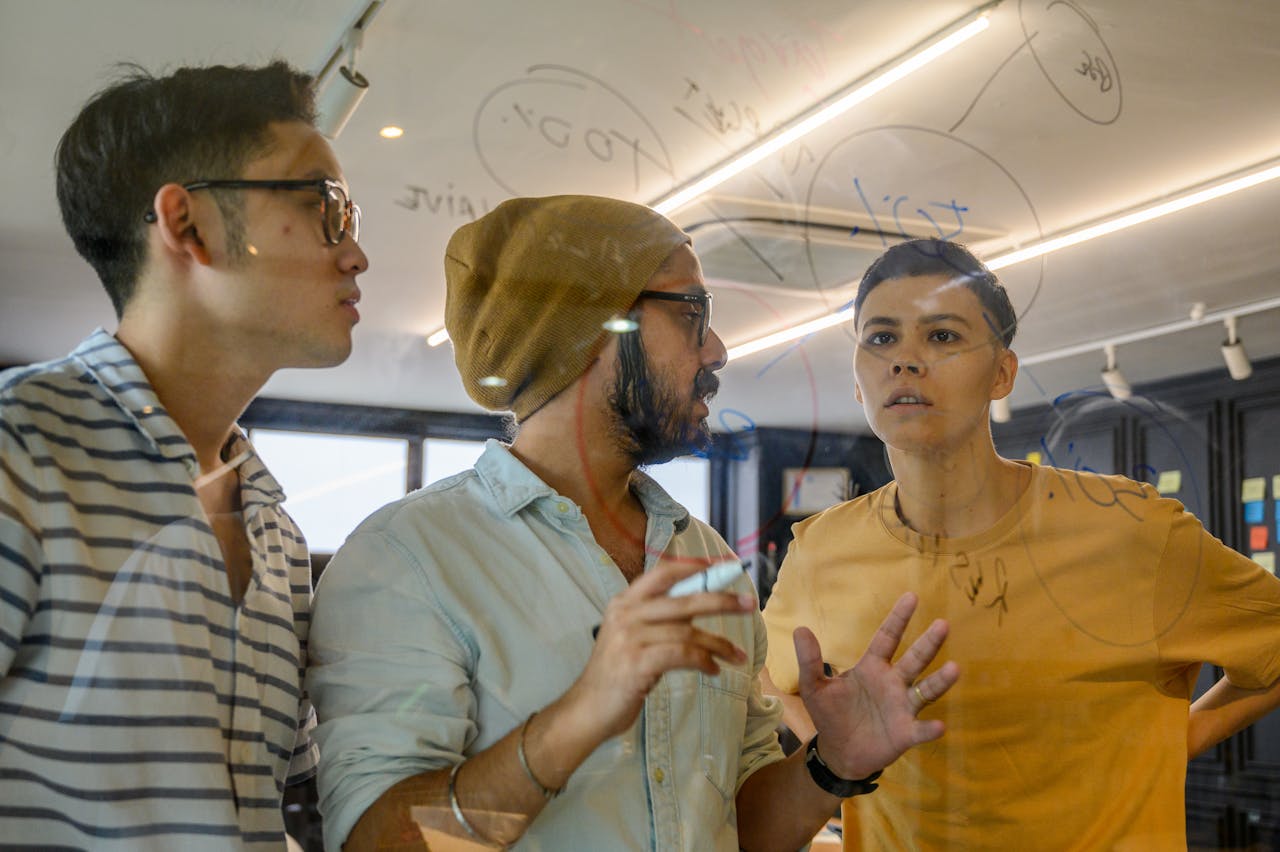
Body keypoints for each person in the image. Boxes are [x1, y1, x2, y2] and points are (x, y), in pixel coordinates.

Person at [306, 195, 960, 851]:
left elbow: (738, 825)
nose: (718, 350)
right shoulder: (408, 561)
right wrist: (581, 715)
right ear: (590, 327)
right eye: (691, 315)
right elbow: (379, 843)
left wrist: (832, 764)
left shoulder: (701, 556)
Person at [760, 237, 1280, 849]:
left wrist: (1171, 744)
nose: (904, 360)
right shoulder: (821, 548)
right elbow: (769, 676)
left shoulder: (1131, 532)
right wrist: (841, 761)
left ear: (1002, 373)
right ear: (857, 381)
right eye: (880, 338)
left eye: (943, 336)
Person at [0, 61, 369, 848]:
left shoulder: (276, 534)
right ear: (188, 225)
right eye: (322, 207)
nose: (355, 254)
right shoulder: (20, 451)